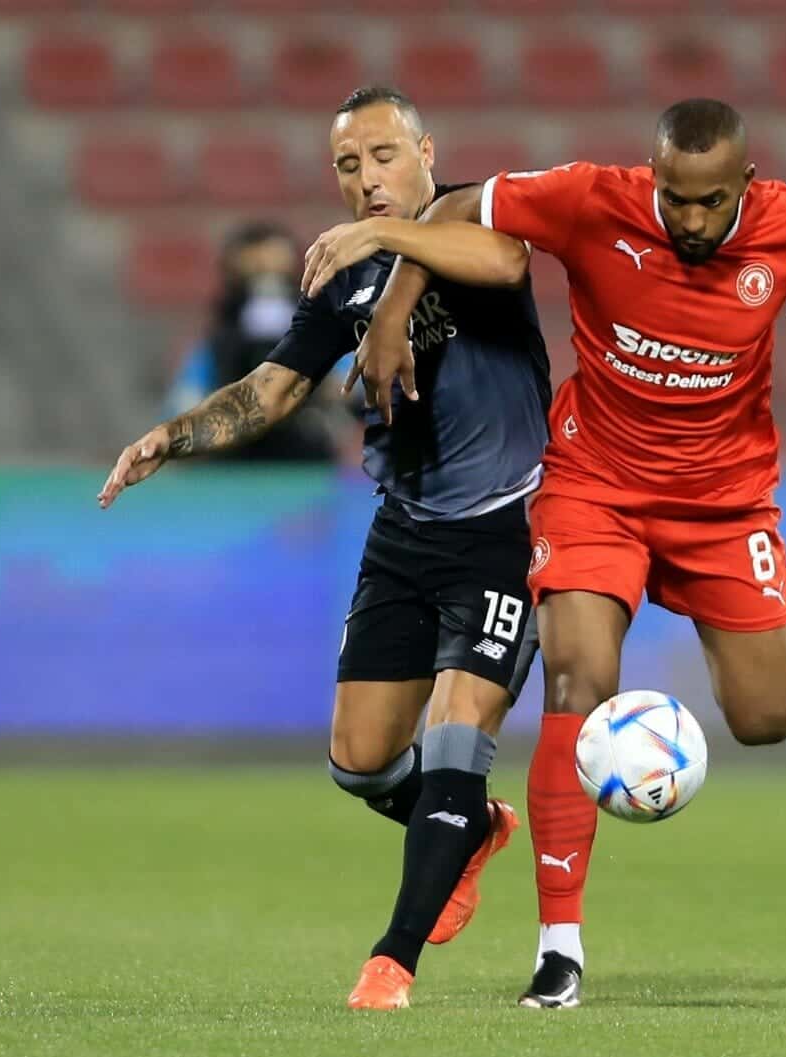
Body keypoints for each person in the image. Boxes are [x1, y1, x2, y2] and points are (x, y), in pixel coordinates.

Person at [301, 97, 786, 1010]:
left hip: (725, 504)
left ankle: (702, 653)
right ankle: (559, 951)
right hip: (594, 486)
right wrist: (390, 315)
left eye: (710, 203)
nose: (690, 222)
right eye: (675, 199)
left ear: (747, 184)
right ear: (655, 178)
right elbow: (453, 212)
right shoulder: (589, 200)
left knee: (768, 716)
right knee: (577, 678)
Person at [97, 85, 554, 1011]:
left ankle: (391, 963)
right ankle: (472, 826)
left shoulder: (470, 220)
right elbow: (270, 391)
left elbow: (506, 262)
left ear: (428, 151)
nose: (368, 178)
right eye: (349, 165)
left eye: (384, 155)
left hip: (504, 530)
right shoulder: (340, 280)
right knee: (360, 760)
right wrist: (170, 437)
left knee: (456, 739)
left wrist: (388, 238)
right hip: (404, 533)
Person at [162, 220, 345, 462]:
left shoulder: (327, 339)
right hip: (233, 466)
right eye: (255, 274)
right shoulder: (217, 347)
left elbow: (350, 393)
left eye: (279, 274)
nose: (268, 288)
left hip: (306, 463)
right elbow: (183, 405)